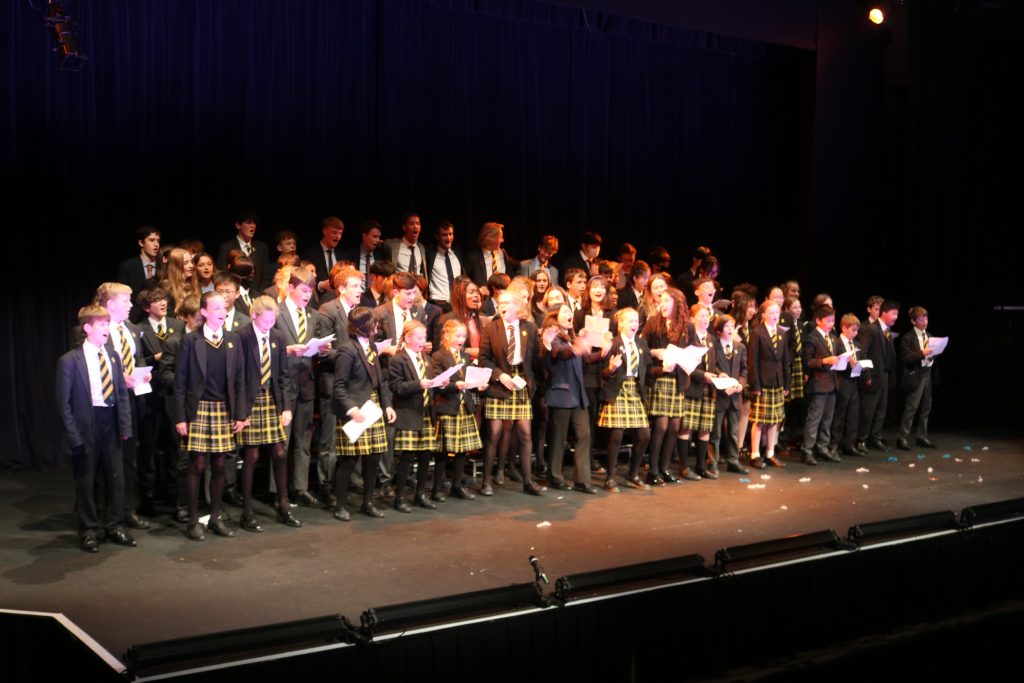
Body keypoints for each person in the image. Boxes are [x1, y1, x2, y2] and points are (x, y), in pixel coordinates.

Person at [57, 305, 137, 552]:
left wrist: (125, 426)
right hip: (86, 424)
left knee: (116, 478)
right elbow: (64, 404)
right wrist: (73, 436)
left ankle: (114, 525)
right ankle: (89, 529)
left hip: (110, 422)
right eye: (101, 325)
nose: (106, 329)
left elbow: (122, 394)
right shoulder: (70, 361)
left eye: (107, 324)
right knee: (87, 480)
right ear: (87, 328)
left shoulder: (112, 355)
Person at [173, 292, 247, 541]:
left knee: (220, 465)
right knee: (197, 464)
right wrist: (181, 417)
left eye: (224, 306)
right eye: (216, 306)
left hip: (223, 409)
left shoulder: (233, 340)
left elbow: (239, 380)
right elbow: (180, 382)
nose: (222, 310)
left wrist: (240, 414)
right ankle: (194, 521)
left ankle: (215, 517)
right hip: (199, 409)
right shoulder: (191, 341)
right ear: (203, 312)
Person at [236, 296, 302, 530]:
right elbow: (238, 377)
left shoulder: (278, 337)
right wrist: (241, 413)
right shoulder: (242, 336)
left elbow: (283, 375)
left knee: (280, 453)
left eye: (272, 321)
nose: (269, 325)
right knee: (252, 456)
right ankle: (247, 513)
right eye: (265, 321)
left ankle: (284, 506)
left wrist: (286, 407)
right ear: (254, 316)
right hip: (250, 401)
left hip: (272, 400)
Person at [331, 306, 397, 520]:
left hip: (373, 407)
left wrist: (387, 405)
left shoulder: (370, 346)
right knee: (349, 460)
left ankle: (367, 503)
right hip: (356, 410)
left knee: (373, 457)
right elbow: (339, 386)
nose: (377, 327)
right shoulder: (347, 350)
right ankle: (340, 505)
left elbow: (380, 381)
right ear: (364, 327)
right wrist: (352, 409)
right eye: (374, 324)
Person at [478, 290, 543, 496]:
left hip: (521, 384)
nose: (503, 306)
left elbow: (538, 359)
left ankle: (528, 481)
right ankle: (486, 481)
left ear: (517, 306)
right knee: (494, 434)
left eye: (507, 302)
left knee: (525, 433)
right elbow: (483, 359)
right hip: (500, 385)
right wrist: (498, 375)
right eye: (500, 303)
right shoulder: (491, 328)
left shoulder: (529, 328)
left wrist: (548, 344)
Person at [315, 265, 364, 506]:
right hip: (333, 383)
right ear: (341, 289)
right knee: (329, 440)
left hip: (355, 386)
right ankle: (326, 486)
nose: (359, 291)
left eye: (360, 286)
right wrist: (351, 358)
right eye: (354, 286)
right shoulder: (328, 310)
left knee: (353, 436)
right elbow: (324, 353)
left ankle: (349, 481)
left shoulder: (360, 312)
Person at [274, 267, 324, 508]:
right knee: (281, 440)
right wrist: (288, 350)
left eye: (310, 291)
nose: (307, 296)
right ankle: (278, 490)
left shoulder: (313, 315)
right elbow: (266, 346)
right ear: (291, 288)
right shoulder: (277, 311)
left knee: (303, 439)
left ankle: (300, 487)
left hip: (305, 383)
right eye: (303, 290)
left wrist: (322, 349)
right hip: (282, 384)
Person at [538, 305, 599, 494]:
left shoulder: (572, 338)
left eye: (570, 311)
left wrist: (605, 352)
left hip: (578, 394)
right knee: (559, 438)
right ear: (555, 317)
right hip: (561, 393)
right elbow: (562, 354)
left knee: (585, 434)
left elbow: (586, 358)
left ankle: (582, 479)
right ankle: (555, 476)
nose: (570, 314)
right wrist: (577, 347)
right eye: (565, 311)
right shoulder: (553, 338)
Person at [388, 320, 445, 512]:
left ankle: (421, 494)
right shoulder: (398, 359)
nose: (423, 341)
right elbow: (396, 387)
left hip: (426, 413)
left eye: (424, 337)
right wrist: (418, 385)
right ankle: (400, 497)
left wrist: (440, 383)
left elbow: (430, 382)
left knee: (425, 455)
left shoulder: (426, 358)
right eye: (419, 338)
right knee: (407, 457)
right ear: (407, 338)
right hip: (408, 413)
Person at [596, 308, 651, 492]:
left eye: (636, 321)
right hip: (618, 391)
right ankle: (610, 478)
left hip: (634, 391)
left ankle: (632, 474)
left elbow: (647, 370)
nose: (634, 324)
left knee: (644, 435)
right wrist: (611, 368)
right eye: (630, 321)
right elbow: (602, 373)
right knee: (616, 435)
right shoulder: (612, 344)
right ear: (620, 324)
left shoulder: (642, 344)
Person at [430, 318, 483, 500]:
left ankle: (456, 486)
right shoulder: (439, 356)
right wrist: (455, 385)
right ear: (446, 335)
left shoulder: (466, 357)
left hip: (464, 407)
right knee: (443, 451)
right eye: (457, 335)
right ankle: (437, 488)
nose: (461, 339)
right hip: (448, 406)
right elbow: (437, 383)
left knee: (462, 450)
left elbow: (470, 378)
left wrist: (478, 385)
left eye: (463, 336)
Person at [642, 287, 689, 486]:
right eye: (661, 301)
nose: (662, 304)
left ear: (676, 304)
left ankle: (665, 468)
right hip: (660, 378)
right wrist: (656, 352)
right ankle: (652, 471)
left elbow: (690, 351)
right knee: (661, 425)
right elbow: (641, 346)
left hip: (677, 379)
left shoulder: (685, 326)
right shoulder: (653, 322)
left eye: (667, 301)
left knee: (674, 426)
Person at [748, 300, 791, 469]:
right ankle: (755, 454)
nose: (775, 316)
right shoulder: (757, 333)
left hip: (778, 382)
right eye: (771, 313)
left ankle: (770, 453)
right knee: (759, 420)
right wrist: (755, 385)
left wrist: (786, 384)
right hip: (763, 383)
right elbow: (753, 362)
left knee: (774, 420)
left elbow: (785, 360)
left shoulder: (781, 333)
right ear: (764, 314)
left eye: (777, 313)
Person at [678, 304, 718, 479]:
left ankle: (701, 466)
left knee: (705, 428)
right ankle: (684, 467)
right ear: (692, 318)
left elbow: (713, 363)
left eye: (707, 316)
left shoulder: (710, 338)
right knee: (687, 427)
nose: (705, 319)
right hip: (692, 387)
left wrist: (719, 373)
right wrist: (703, 375)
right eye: (701, 316)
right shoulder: (687, 336)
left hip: (708, 389)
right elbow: (684, 362)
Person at [800, 304, 842, 465]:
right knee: (814, 418)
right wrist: (824, 361)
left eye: (833, 320)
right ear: (818, 320)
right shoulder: (812, 337)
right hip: (818, 383)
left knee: (827, 418)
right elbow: (807, 362)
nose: (832, 324)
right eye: (828, 320)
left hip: (832, 382)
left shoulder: (832, 337)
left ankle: (822, 447)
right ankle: (807, 450)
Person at [856, 299, 899, 451]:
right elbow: (863, 352)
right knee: (868, 410)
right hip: (873, 376)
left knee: (881, 409)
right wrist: (866, 374)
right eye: (893, 313)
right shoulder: (872, 329)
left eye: (897, 314)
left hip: (884, 376)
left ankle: (875, 437)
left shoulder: (886, 330)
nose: (896, 317)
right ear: (884, 313)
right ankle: (861, 439)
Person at [709, 314, 750, 475]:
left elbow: (745, 369)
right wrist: (720, 377)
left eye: (732, 326)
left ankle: (733, 460)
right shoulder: (714, 346)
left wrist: (741, 383)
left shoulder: (740, 347)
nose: (730, 329)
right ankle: (712, 461)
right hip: (719, 394)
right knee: (715, 432)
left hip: (735, 396)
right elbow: (712, 366)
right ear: (719, 330)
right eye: (727, 326)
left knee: (733, 431)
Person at [896, 306, 937, 451]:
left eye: (926, 318)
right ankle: (902, 437)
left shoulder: (930, 336)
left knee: (926, 407)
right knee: (911, 407)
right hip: (915, 375)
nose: (925, 321)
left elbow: (932, 354)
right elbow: (906, 358)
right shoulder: (908, 338)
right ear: (913, 321)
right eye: (921, 319)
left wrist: (932, 357)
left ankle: (922, 436)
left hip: (927, 374)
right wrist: (921, 353)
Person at [830, 314, 866, 456]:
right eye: (853, 330)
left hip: (854, 383)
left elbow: (861, 360)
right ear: (844, 328)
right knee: (839, 415)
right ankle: (834, 444)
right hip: (841, 382)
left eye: (857, 330)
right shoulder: (836, 343)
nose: (855, 333)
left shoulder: (856, 345)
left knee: (853, 415)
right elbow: (836, 363)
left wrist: (862, 367)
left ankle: (849, 444)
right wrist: (848, 364)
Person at [217, 211, 272, 290]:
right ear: (238, 225)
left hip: (256, 294)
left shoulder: (261, 247)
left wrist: (259, 294)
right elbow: (222, 274)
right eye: (248, 223)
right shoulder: (226, 247)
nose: (252, 226)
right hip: (235, 294)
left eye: (254, 223)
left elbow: (266, 276)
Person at [117, 226, 161, 321]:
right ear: (141, 243)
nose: (156, 244)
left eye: (158, 241)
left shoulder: (163, 266)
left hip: (159, 317)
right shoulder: (128, 267)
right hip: (136, 318)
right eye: (152, 240)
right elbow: (123, 294)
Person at [424, 220, 465, 311]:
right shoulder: (430, 254)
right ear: (437, 236)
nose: (448, 238)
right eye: (444, 235)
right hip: (438, 304)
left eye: (450, 234)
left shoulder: (458, 252)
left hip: (457, 304)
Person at [464, 221, 519, 288]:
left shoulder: (502, 253)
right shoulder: (473, 257)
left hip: (503, 296)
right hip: (483, 297)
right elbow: (464, 281)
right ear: (490, 238)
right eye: (500, 237)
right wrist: (478, 290)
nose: (503, 240)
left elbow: (511, 275)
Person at [301, 216, 344, 297]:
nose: (338, 237)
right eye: (334, 233)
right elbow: (303, 279)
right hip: (318, 300)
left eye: (340, 233)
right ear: (324, 231)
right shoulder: (310, 254)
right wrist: (320, 285)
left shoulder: (343, 254)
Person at [379, 213, 428, 279]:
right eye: (411, 224)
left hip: (417, 288)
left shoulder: (421, 248)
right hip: (398, 287)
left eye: (418, 223)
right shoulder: (390, 245)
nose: (415, 226)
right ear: (404, 227)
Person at [343, 219, 383, 290]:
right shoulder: (350, 255)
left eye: (379, 237)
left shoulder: (380, 256)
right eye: (374, 236)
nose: (378, 240)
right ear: (364, 236)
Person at [160, 247, 199, 318]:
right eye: (186, 263)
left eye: (191, 262)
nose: (191, 266)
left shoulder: (194, 285)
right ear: (176, 267)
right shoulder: (166, 288)